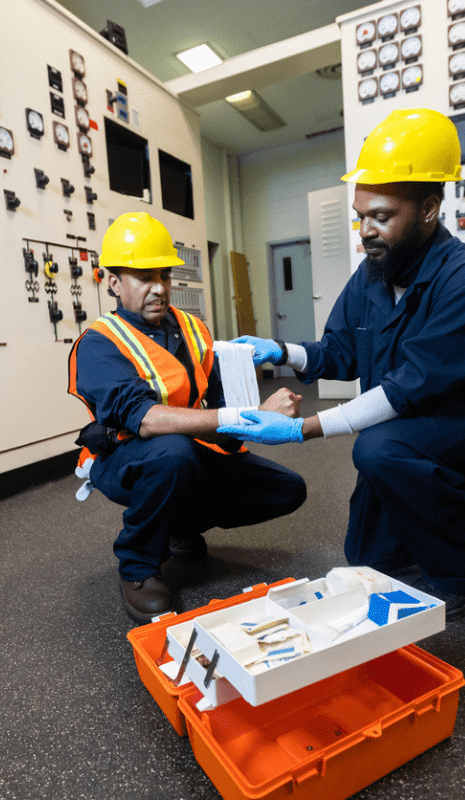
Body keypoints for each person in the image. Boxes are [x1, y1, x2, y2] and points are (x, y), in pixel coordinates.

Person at [219, 108, 465, 620]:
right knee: (369, 556)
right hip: (412, 425)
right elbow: (340, 353)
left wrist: (304, 430)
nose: (364, 230)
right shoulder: (373, 274)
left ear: (430, 208)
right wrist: (281, 351)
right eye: (359, 216)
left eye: (381, 217)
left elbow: (406, 389)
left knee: (380, 451)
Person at [68, 212, 307, 622]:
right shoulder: (98, 344)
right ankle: (138, 565)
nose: (159, 288)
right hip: (126, 459)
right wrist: (240, 416)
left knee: (287, 489)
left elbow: (216, 402)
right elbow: (143, 419)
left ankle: (175, 521)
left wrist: (256, 425)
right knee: (172, 454)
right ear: (113, 283)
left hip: (189, 451)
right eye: (144, 277)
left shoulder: (194, 329)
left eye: (164, 275)